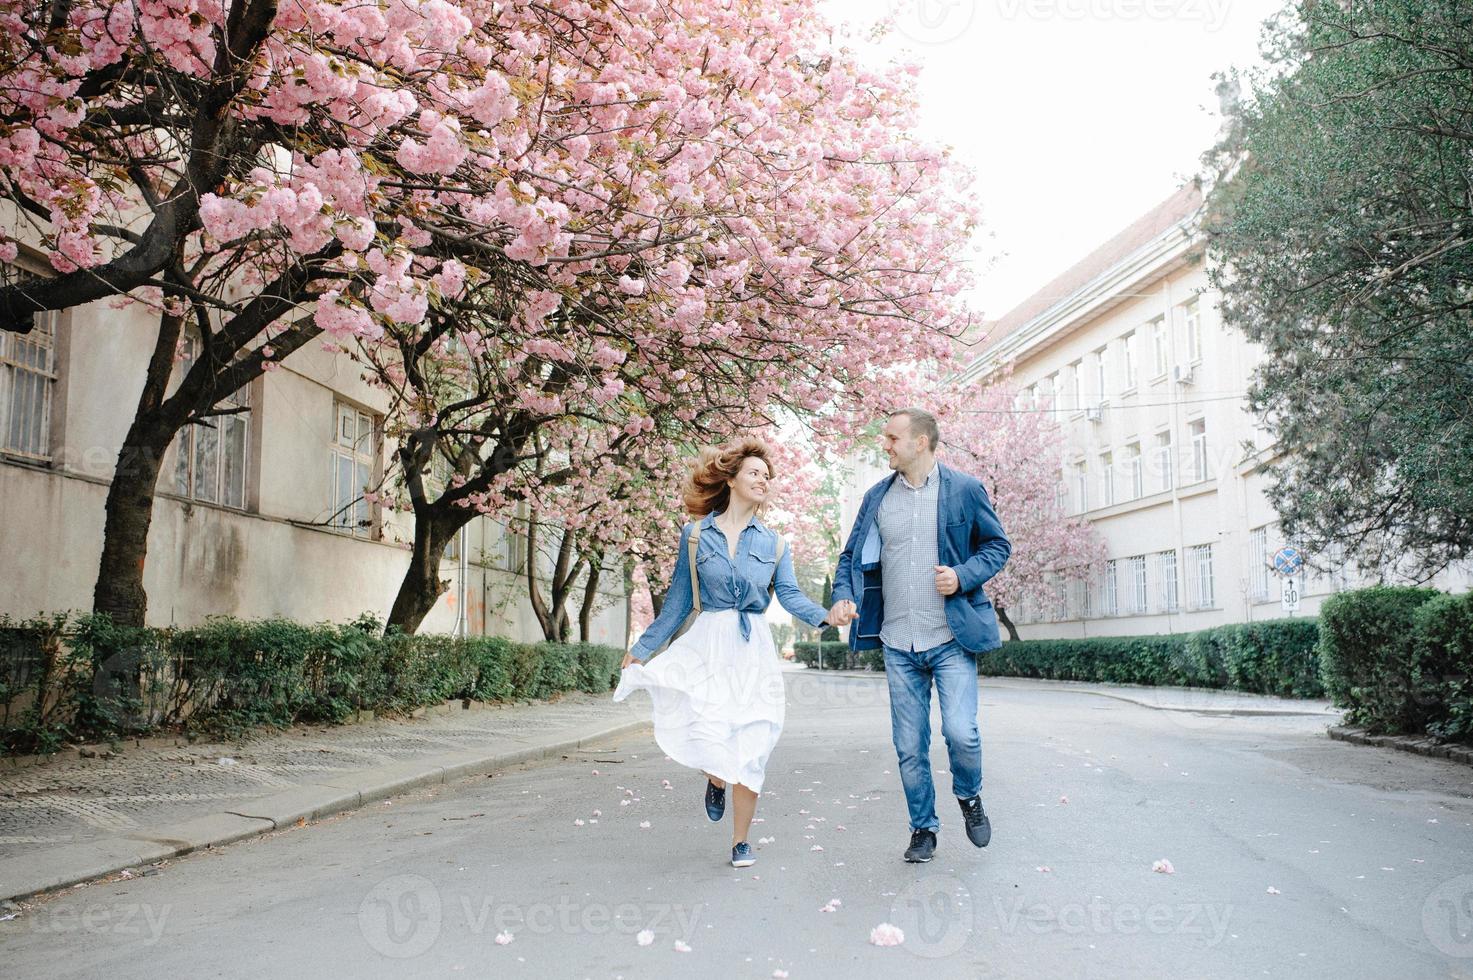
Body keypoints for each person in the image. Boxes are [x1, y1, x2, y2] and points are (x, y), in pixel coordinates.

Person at [614, 436, 832, 869]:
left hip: (753, 651)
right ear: (731, 479)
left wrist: (828, 617)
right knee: (711, 730)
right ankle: (715, 776)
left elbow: (789, 596)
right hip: (708, 644)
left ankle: (741, 841)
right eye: (754, 472)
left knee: (753, 743)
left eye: (767, 476)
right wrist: (641, 650)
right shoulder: (695, 536)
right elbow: (677, 603)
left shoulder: (775, 544)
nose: (762, 480)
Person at [828, 408, 1011, 864]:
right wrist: (843, 597)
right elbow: (850, 557)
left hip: (950, 637)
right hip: (897, 642)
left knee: (960, 732)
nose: (884, 445)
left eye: (892, 437)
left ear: (921, 442)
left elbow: (997, 545)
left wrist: (963, 575)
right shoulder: (877, 497)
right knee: (909, 746)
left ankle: (969, 798)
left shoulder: (964, 490)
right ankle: (922, 829)